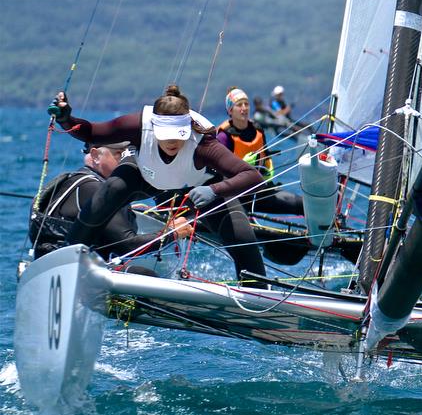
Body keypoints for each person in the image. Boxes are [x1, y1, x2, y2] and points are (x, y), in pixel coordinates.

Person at [51, 85, 267, 282]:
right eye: (166, 135)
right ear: (153, 128)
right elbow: (92, 132)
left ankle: (257, 294)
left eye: (178, 135)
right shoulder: (137, 125)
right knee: (109, 191)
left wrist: (214, 189)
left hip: (197, 187)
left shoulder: (204, 143)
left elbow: (251, 175)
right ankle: (65, 263)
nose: (173, 142)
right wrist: (66, 120)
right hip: (145, 176)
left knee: (243, 239)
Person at [29, 142, 190, 259]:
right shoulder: (95, 189)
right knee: (145, 274)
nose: (127, 160)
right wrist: (173, 233)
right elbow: (128, 247)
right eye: (120, 154)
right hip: (71, 271)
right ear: (95, 156)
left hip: (49, 263)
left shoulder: (74, 181)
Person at [216, 87, 304, 215]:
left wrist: (268, 172)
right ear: (230, 110)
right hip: (235, 196)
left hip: (258, 191)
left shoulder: (257, 130)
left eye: (246, 104)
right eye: (239, 105)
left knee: (301, 204)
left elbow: (266, 157)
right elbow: (217, 173)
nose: (244, 108)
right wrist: (239, 167)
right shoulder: (224, 137)